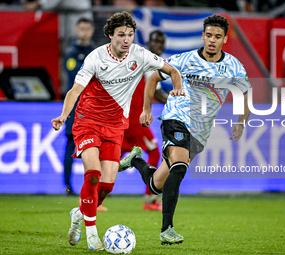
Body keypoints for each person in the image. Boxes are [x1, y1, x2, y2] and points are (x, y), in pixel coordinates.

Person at [51, 11, 183, 251]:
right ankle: (92, 232)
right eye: (121, 34)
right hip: (88, 120)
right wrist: (63, 115)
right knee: (93, 173)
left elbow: (173, 71)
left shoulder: (140, 55)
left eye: (130, 35)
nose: (126, 39)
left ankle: (79, 213)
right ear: (110, 35)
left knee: (107, 184)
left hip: (114, 125)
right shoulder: (96, 57)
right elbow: (74, 90)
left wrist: (178, 88)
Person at [119, 14, 251, 245]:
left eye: (217, 37)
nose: (212, 40)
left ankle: (135, 161)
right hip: (176, 118)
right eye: (208, 35)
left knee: (156, 184)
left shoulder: (233, 67)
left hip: (200, 132)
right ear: (202, 36)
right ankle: (166, 229)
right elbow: (152, 79)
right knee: (180, 167)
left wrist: (241, 121)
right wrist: (147, 110)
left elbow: (245, 94)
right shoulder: (184, 60)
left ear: (224, 39)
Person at [121, 30, 168, 211]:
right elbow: (155, 92)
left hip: (128, 119)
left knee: (112, 159)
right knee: (155, 152)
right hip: (134, 121)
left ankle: (90, 198)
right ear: (148, 43)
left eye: (161, 42)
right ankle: (150, 199)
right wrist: (176, 100)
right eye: (155, 41)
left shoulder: (147, 61)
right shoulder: (148, 62)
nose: (159, 45)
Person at [63, 18, 95, 197]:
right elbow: (74, 77)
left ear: (92, 30)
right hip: (75, 107)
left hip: (93, 107)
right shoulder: (72, 53)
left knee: (94, 147)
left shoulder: (96, 52)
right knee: (70, 144)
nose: (84, 32)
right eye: (81, 29)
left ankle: (95, 186)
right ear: (77, 30)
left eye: (87, 29)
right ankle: (68, 186)